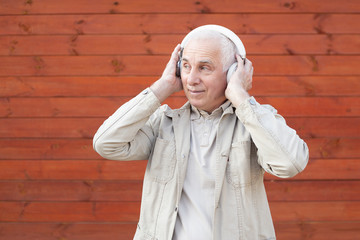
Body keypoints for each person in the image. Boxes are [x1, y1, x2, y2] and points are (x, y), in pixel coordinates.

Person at [93, 25, 309, 240]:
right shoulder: (163, 123)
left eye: (204, 68)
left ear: (233, 72)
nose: (191, 79)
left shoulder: (255, 122)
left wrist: (241, 96)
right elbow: (106, 142)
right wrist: (164, 85)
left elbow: (290, 163)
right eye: (186, 66)